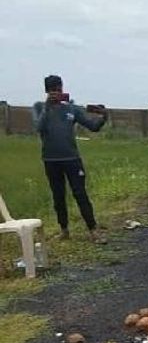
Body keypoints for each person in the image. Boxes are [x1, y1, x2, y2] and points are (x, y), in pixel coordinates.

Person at [31, 75, 107, 244]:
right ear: (46, 91)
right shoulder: (39, 107)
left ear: (62, 89)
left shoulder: (72, 109)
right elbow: (39, 127)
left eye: (58, 89)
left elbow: (92, 127)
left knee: (80, 193)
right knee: (58, 196)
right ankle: (64, 230)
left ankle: (94, 230)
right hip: (51, 160)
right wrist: (47, 106)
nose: (56, 93)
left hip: (72, 159)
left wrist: (103, 118)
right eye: (52, 90)